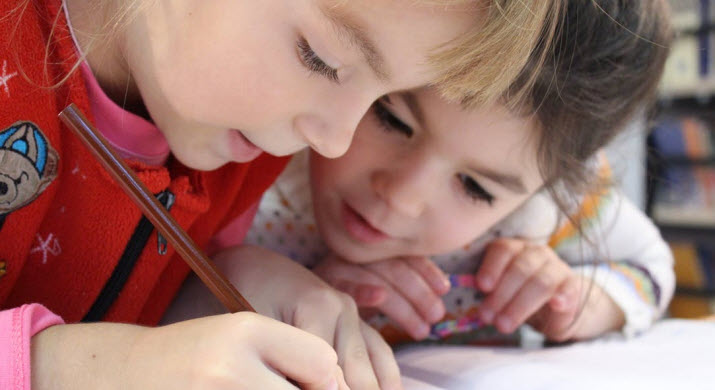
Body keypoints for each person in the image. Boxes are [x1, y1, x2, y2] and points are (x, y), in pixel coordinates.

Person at [0, 0, 560, 389]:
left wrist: (219, 293)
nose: (336, 141)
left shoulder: (239, 146)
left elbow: (122, 313)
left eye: (383, 97)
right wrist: (89, 371)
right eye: (323, 59)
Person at [229, 0, 675, 345]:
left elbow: (652, 267)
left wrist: (583, 301)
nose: (401, 197)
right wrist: (275, 292)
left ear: (551, 188)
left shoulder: (543, 215)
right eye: (393, 120)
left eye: (475, 188)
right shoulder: (258, 154)